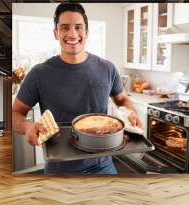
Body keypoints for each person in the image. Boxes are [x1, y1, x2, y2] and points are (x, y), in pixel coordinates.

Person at [12, 3, 142, 175]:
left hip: (103, 164)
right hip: (59, 168)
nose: (72, 34)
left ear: (86, 32)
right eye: (65, 28)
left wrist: (131, 113)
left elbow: (123, 100)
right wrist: (27, 127)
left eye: (78, 27)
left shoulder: (107, 68)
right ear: (56, 33)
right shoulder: (39, 73)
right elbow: (15, 114)